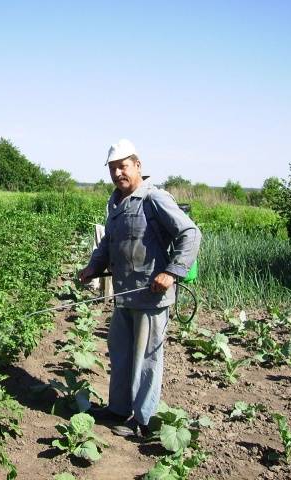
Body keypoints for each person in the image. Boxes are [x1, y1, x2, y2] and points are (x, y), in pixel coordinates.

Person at [78, 139, 201, 437]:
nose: (118, 173)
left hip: (150, 297)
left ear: (137, 165)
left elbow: (190, 233)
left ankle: (143, 421)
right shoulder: (116, 202)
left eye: (123, 166)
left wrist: (171, 272)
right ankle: (118, 409)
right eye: (112, 169)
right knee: (120, 355)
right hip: (123, 296)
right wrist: (93, 266)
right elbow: (109, 241)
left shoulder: (154, 198)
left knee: (146, 360)